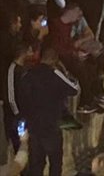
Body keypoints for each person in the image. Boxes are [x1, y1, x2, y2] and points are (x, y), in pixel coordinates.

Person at [14, 45, 79, 176]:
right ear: (54, 60)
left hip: (33, 126)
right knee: (55, 163)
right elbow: (74, 89)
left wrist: (22, 123)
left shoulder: (28, 74)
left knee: (36, 164)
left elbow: (20, 98)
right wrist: (65, 72)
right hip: (51, 126)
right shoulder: (54, 73)